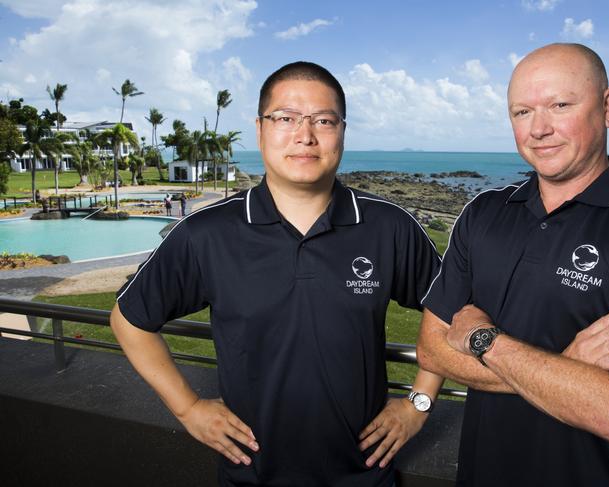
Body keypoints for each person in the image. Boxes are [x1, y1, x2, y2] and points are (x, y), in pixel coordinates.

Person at [111, 61, 442, 487]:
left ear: (342, 130)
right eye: (285, 118)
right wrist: (188, 408)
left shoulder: (389, 227)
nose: (305, 135)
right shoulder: (206, 233)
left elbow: (450, 311)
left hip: (365, 478)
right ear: (260, 128)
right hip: (251, 478)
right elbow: (129, 319)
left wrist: (418, 403)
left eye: (323, 120)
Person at [417, 43, 609, 487]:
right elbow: (432, 349)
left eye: (560, 105)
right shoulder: (483, 213)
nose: (539, 129)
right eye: (522, 112)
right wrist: (567, 368)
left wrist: (484, 340)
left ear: (608, 106)